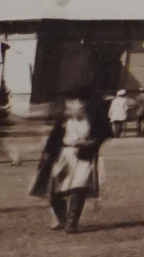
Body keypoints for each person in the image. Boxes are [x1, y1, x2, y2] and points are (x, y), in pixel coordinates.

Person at [29, 95, 110, 232]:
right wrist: (47, 154)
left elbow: (104, 134)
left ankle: (71, 223)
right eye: (69, 107)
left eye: (74, 107)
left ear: (83, 107)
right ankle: (62, 219)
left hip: (84, 156)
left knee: (79, 187)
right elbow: (53, 138)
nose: (71, 110)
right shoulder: (63, 121)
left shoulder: (93, 120)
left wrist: (91, 143)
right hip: (64, 155)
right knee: (56, 189)